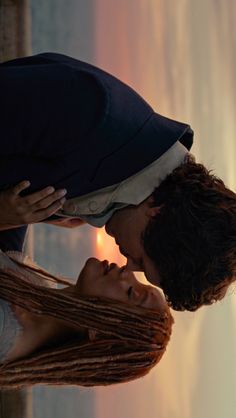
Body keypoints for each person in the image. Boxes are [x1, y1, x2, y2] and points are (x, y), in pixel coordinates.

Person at [1, 53, 236, 311]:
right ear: (159, 213)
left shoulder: (109, 188)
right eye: (141, 261)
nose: (128, 266)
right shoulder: (90, 113)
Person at [0, 253, 173, 390]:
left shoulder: (4, 328)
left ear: (99, 333)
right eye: (139, 282)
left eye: (130, 292)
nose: (127, 272)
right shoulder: (37, 283)